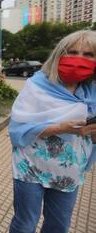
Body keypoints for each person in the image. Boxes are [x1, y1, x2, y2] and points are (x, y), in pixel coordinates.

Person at [8, 30, 96, 233]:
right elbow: (17, 128)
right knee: (25, 224)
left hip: (69, 171)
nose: (78, 59)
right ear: (59, 55)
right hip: (30, 167)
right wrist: (60, 128)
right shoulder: (37, 86)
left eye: (88, 55)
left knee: (58, 225)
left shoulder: (92, 92)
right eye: (72, 52)